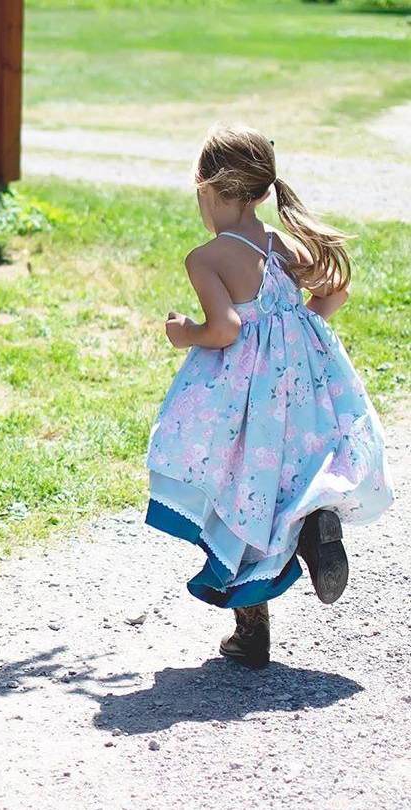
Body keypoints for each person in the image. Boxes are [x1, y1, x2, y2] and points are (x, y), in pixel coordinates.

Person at [146, 126, 393, 669]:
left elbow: (225, 328)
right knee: (281, 486)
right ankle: (310, 524)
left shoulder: (207, 257)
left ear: (206, 189)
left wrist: (183, 331)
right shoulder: (281, 244)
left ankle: (252, 629)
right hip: (301, 393)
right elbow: (337, 291)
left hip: (245, 404)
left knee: (241, 492)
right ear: (260, 192)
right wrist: (303, 328)